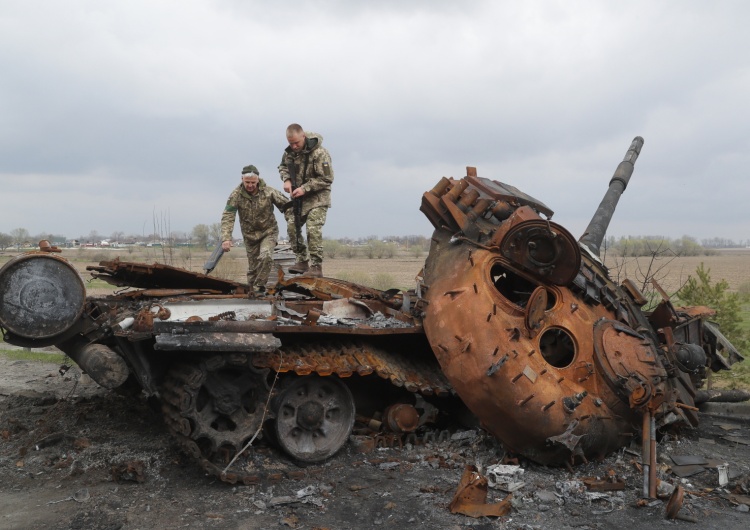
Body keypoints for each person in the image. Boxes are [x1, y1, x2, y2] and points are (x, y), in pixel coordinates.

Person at [220, 164, 289, 295]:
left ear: (258, 180)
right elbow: (228, 215)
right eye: (247, 182)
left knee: (265, 256)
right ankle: (252, 296)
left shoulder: (269, 192)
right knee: (253, 269)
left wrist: (292, 222)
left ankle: (259, 288)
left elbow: (287, 206)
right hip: (250, 236)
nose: (250, 185)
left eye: (253, 182)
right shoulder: (236, 195)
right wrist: (226, 238)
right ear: (242, 179)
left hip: (268, 232)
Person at [278, 123, 334, 278]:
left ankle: (316, 266)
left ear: (303, 136)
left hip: (318, 198)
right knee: (292, 227)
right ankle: (302, 261)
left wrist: (305, 188)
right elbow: (282, 167)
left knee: (312, 228)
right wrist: (287, 179)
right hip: (299, 199)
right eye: (291, 143)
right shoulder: (289, 153)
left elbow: (327, 178)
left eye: (297, 142)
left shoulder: (320, 153)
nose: (294, 146)